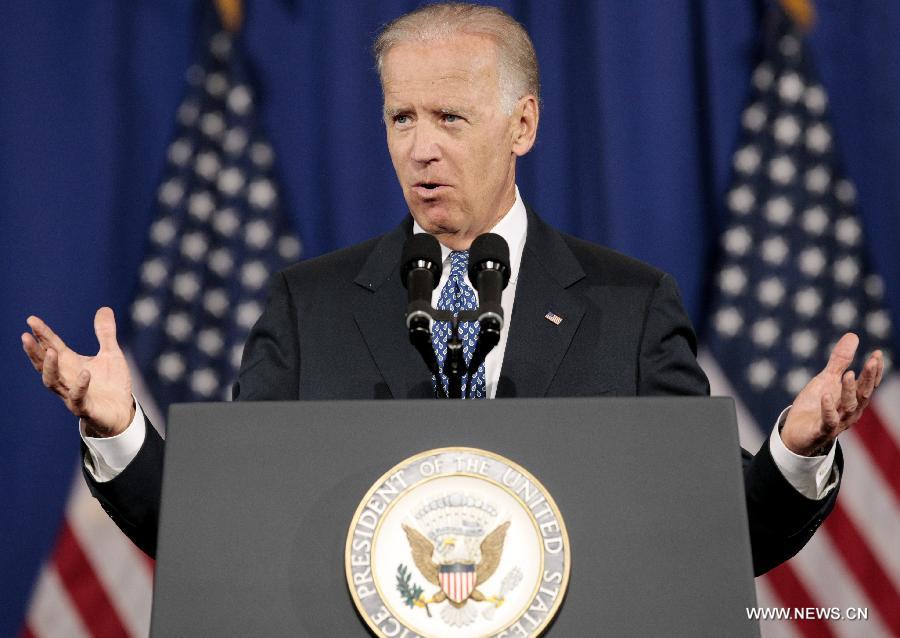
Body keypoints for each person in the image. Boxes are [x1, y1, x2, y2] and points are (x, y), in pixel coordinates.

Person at [21, 3, 884, 576]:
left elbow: (716, 531)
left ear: (524, 123)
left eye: (450, 118)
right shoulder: (308, 305)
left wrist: (796, 449)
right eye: (402, 118)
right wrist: (121, 429)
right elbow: (221, 530)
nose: (420, 148)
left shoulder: (630, 305)